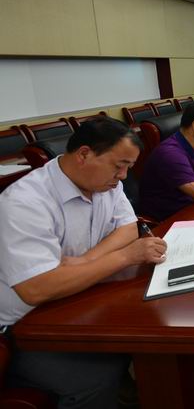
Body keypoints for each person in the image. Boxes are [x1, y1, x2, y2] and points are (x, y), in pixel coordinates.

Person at [0, 118, 167, 408]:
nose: (123, 176)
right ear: (84, 154)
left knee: (150, 331)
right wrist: (125, 256)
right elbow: (35, 289)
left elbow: (128, 227)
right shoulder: (25, 202)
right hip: (22, 330)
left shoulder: (106, 184)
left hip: (75, 301)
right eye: (119, 166)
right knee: (97, 376)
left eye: (129, 167)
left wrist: (84, 262)